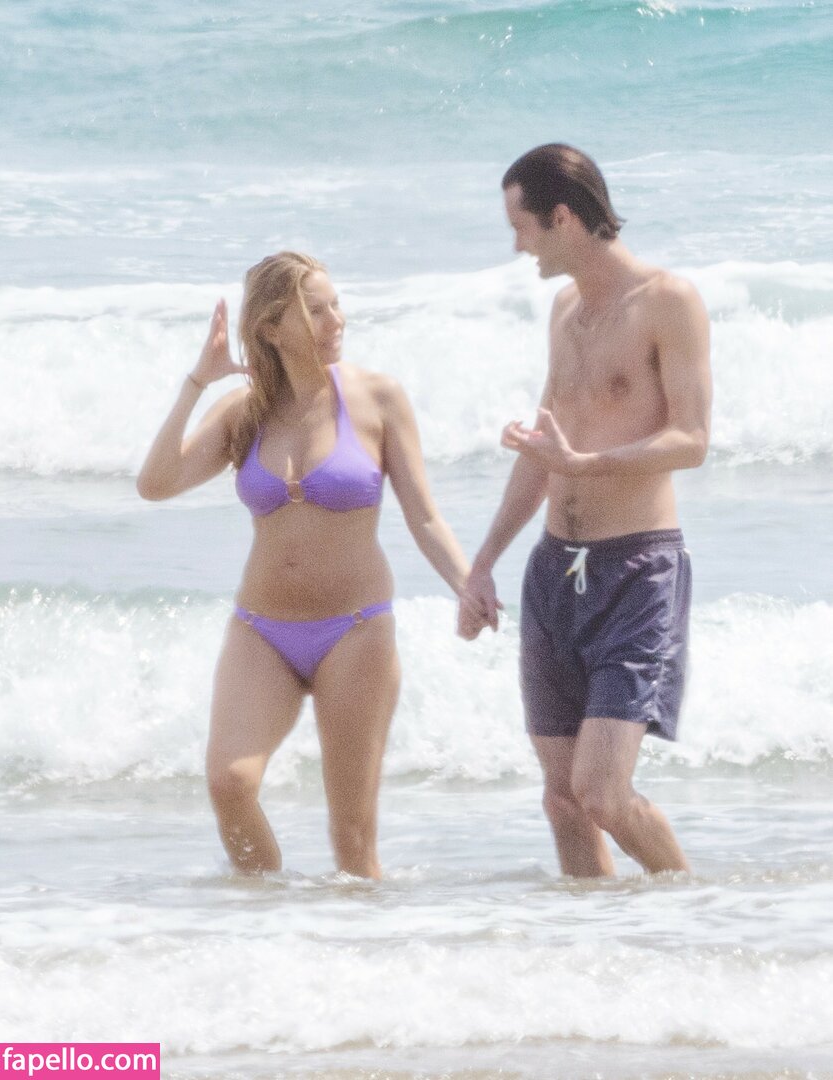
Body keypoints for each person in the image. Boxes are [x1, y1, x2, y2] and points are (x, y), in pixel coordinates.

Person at [137, 252, 470, 878]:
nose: (335, 320)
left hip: (355, 630)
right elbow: (155, 484)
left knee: (352, 838)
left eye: (335, 305)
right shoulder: (244, 412)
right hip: (262, 631)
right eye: (315, 311)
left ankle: (358, 939)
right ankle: (271, 921)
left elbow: (425, 517)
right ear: (270, 327)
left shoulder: (377, 399)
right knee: (229, 784)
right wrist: (197, 382)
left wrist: (467, 584)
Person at [460, 144, 711, 877]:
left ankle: (692, 911)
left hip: (635, 569)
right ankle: (595, 939)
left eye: (522, 227)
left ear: (562, 218)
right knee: (563, 801)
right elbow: (547, 449)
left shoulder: (668, 301)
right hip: (553, 572)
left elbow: (692, 440)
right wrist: (482, 563)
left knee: (601, 792)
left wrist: (585, 465)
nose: (518, 245)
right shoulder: (565, 310)